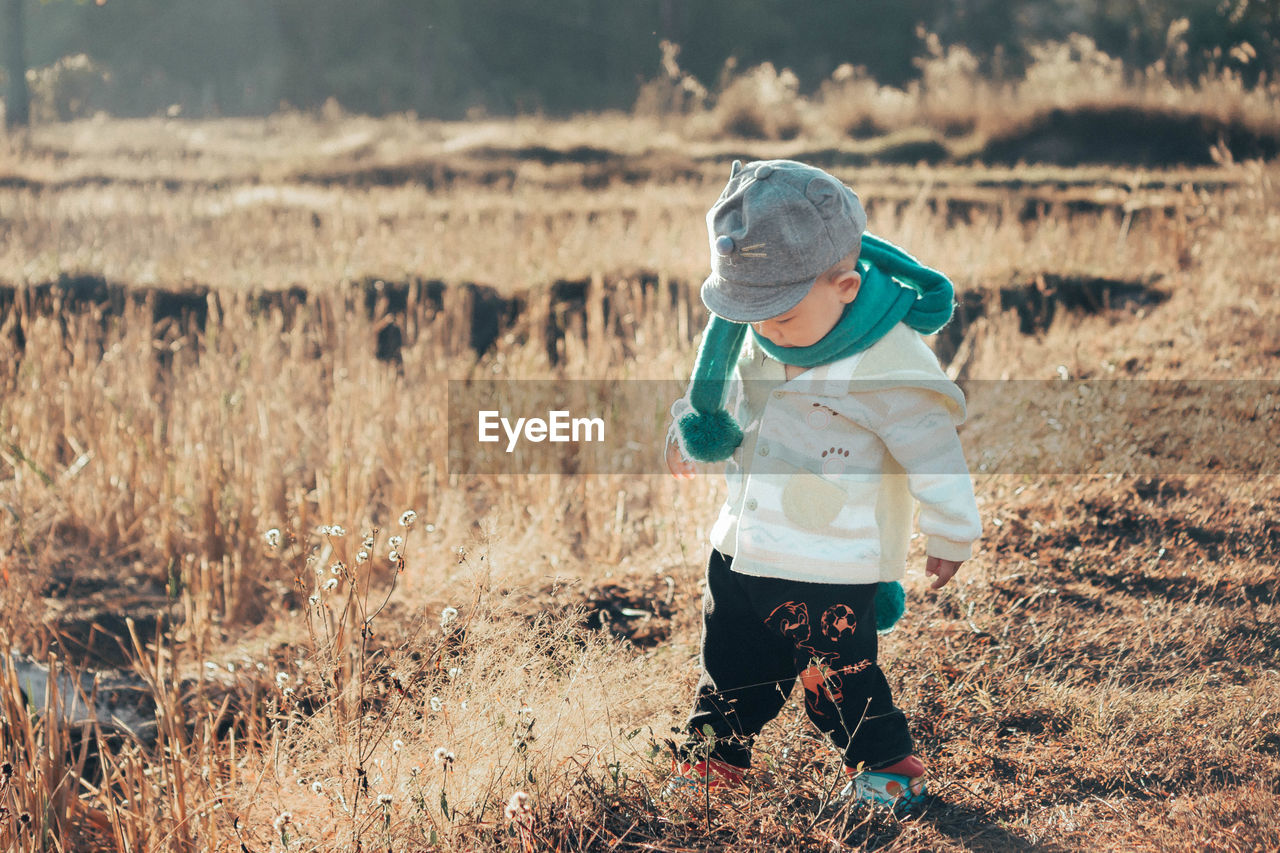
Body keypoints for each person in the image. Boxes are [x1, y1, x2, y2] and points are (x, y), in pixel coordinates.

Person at [664, 159, 981, 809]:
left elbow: (932, 449)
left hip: (828, 560)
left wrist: (949, 529)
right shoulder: (759, 329)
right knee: (730, 666)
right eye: (750, 311)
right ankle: (714, 761)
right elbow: (722, 392)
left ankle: (890, 767)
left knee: (839, 679)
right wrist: (687, 427)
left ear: (844, 284)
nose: (764, 327)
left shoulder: (884, 361)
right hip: (743, 545)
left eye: (779, 314)